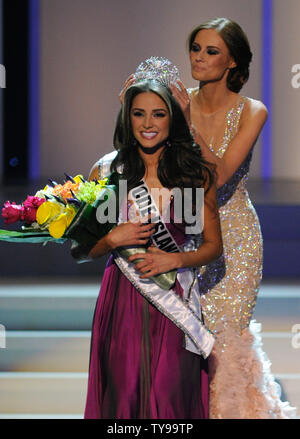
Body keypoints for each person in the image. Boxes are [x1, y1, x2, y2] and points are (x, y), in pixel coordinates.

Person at [167, 17, 296, 418]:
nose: (199, 58)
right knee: (183, 342)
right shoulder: (173, 102)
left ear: (233, 63)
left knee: (226, 344)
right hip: (183, 230)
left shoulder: (251, 111)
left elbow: (219, 174)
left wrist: (185, 122)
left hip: (233, 239)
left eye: (211, 51)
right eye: (196, 48)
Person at [83, 67, 223, 418]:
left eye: (159, 114)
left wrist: (174, 261)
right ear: (127, 118)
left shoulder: (192, 174)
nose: (148, 123)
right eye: (138, 113)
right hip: (121, 300)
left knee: (170, 392)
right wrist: (113, 237)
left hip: (173, 297)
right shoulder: (107, 173)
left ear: (172, 119)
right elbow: (82, 249)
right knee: (124, 392)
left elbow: (212, 246)